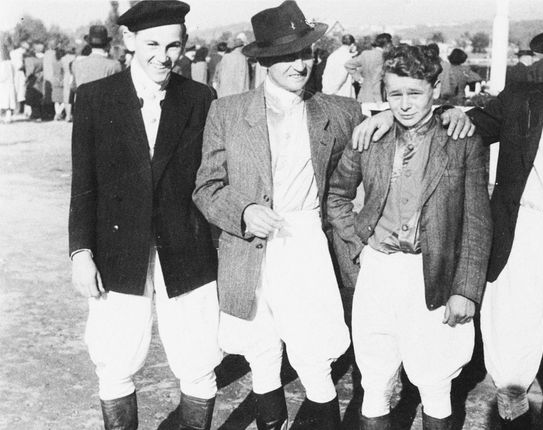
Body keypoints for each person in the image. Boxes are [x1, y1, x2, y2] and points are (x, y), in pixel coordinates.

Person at [353, 1, 543, 429]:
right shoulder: (520, 100)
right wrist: (389, 115)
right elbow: (455, 124)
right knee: (510, 373)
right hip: (516, 246)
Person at [193, 1, 362, 428]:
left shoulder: (340, 112)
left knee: (313, 354)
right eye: (287, 55)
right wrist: (244, 210)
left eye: (306, 52)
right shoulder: (228, 112)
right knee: (262, 350)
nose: (300, 64)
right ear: (265, 60)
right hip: (248, 247)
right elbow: (206, 188)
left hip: (305, 243)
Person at [69, 1, 221, 429]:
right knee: (114, 361)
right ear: (129, 41)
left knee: (198, 361)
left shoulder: (200, 97)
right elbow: (84, 185)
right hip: (118, 250)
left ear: (185, 45)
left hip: (187, 249)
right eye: (152, 43)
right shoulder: (96, 98)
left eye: (174, 45)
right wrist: (80, 251)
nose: (163, 56)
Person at [326, 44, 492, 430]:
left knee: (435, 383)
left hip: (431, 274)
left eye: (414, 93)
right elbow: (337, 195)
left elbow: (477, 223)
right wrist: (359, 245)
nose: (404, 104)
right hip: (379, 272)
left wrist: (465, 289)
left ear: (435, 87)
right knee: (375, 380)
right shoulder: (371, 136)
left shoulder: (461, 140)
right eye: (394, 94)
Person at [344, 33, 392, 103]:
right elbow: (376, 80)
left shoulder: (366, 54)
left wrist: (359, 79)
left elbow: (348, 64)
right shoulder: (382, 57)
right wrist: (379, 100)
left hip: (363, 96)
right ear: (387, 44)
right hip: (376, 99)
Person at [322, 34, 356, 98]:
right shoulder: (347, 56)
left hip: (330, 91)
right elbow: (342, 76)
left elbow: (326, 74)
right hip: (343, 93)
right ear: (352, 45)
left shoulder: (332, 55)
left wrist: (326, 90)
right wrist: (332, 91)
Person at [0, 44, 17, 123]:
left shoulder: (3, 64)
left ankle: (7, 118)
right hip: (9, 84)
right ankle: (8, 117)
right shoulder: (10, 63)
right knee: (9, 102)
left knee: (6, 101)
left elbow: (3, 76)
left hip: (4, 85)